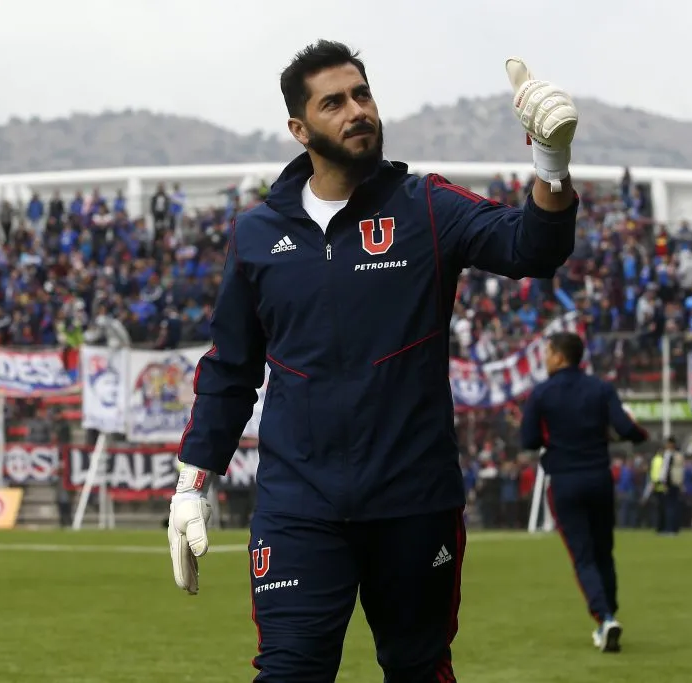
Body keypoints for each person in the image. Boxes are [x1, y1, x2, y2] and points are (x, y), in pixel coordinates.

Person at [167, 40, 580, 682]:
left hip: (414, 501)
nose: (357, 111)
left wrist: (551, 161)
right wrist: (194, 481)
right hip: (298, 505)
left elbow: (532, 248)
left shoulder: (426, 206)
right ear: (300, 130)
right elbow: (231, 369)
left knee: (419, 671)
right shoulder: (256, 233)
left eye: (362, 94)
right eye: (334, 102)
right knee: (289, 673)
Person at [520, 331, 648, 653]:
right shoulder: (601, 388)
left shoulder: (542, 394)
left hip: (565, 481)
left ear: (560, 357)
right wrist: (637, 434)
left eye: (548, 353)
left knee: (583, 556)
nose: (545, 358)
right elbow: (627, 429)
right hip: (599, 479)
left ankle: (604, 618)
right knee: (604, 550)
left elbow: (528, 440)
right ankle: (610, 616)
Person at [650, 436, 684, 534]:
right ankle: (674, 528)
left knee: (669, 507)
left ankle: (669, 529)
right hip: (677, 482)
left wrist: (664, 482)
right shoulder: (679, 455)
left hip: (669, 483)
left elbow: (665, 471)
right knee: (674, 506)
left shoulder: (668, 455)